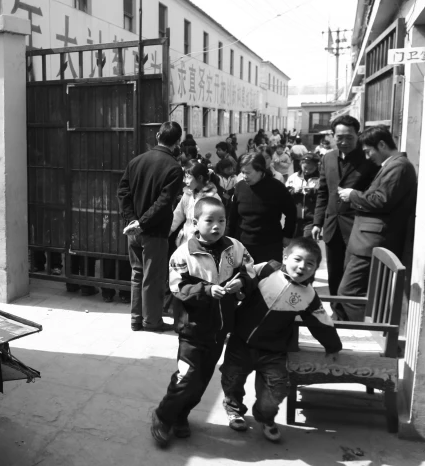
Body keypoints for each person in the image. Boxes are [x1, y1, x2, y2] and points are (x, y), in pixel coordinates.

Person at [150, 197, 255, 447]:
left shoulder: (235, 248)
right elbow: (178, 287)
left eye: (222, 220)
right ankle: (163, 416)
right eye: (210, 221)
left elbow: (249, 269)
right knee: (186, 377)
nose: (217, 226)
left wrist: (241, 281)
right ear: (196, 223)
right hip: (192, 329)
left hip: (219, 330)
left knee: (202, 380)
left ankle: (181, 416)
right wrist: (207, 291)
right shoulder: (183, 253)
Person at [220, 237, 341, 443]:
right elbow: (246, 274)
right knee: (232, 378)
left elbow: (321, 321)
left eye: (310, 263)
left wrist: (333, 345)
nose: (302, 266)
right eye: (297, 259)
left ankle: (265, 417)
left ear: (315, 270)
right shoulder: (267, 269)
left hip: (273, 351)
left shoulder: (309, 295)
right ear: (285, 256)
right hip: (241, 343)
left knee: (276, 390)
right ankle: (234, 409)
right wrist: (238, 283)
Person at [334, 126, 418, 321]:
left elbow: (381, 200)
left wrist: (352, 195)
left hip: (372, 241)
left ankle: (372, 333)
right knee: (359, 292)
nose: (367, 156)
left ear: (381, 144)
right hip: (365, 240)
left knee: (349, 293)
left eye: (368, 151)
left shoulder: (399, 166)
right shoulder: (393, 165)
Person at [117, 121, 184, 332]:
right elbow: (164, 203)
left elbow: (123, 193)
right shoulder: (174, 168)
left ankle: (136, 319)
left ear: (157, 136)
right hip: (153, 231)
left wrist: (131, 221)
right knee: (152, 278)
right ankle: (152, 321)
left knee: (136, 275)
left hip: (134, 231)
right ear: (178, 142)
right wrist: (142, 223)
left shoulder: (136, 161)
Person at [312, 116, 379, 296]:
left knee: (353, 276)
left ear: (358, 136)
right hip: (332, 225)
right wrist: (317, 222)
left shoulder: (369, 160)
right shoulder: (327, 158)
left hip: (358, 227)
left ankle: (349, 314)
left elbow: (375, 194)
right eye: (339, 137)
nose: (344, 142)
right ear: (332, 136)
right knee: (334, 273)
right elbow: (323, 192)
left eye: (349, 137)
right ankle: (336, 312)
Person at [229, 153, 297, 263]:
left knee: (269, 279)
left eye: (248, 173)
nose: (244, 176)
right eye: (242, 172)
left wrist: (287, 235)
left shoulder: (276, 187)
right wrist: (228, 238)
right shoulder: (239, 187)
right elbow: (232, 217)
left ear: (260, 171)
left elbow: (291, 212)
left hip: (270, 245)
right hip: (243, 245)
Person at [170, 161, 220, 247]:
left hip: (204, 243)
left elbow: (216, 223)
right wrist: (167, 231)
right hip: (185, 242)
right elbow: (177, 216)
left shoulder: (213, 197)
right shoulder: (187, 194)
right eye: (185, 177)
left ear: (200, 178)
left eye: (188, 177)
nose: (185, 181)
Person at [286, 152, 320, 238]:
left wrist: (313, 192)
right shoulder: (293, 178)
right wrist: (293, 191)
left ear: (316, 167)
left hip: (311, 219)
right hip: (295, 218)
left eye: (311, 168)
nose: (307, 171)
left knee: (306, 242)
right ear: (300, 164)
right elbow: (285, 194)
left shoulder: (320, 180)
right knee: (295, 243)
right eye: (305, 168)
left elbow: (324, 196)